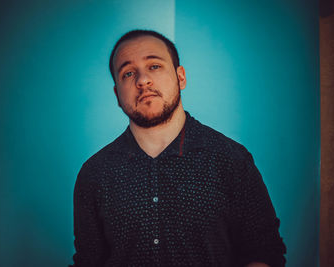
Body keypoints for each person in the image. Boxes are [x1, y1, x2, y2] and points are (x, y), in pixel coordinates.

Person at [70, 30, 286, 267]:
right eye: (128, 73)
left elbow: (264, 252)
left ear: (180, 77)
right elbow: (88, 261)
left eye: (154, 66)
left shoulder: (230, 160)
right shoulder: (95, 174)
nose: (142, 80)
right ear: (117, 95)